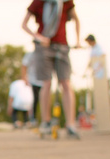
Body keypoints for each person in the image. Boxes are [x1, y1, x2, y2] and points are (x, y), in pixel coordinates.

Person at [21, 0, 81, 139]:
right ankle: (46, 122)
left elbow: (76, 20)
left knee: (66, 83)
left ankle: (70, 125)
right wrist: (39, 37)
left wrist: (78, 40)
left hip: (62, 45)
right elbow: (24, 24)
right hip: (44, 47)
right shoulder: (38, 2)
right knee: (46, 83)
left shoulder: (66, 2)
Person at [21, 52, 43, 126]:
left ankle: (45, 119)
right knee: (34, 100)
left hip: (44, 82)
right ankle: (33, 119)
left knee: (44, 101)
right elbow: (24, 65)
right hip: (33, 81)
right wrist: (24, 77)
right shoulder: (30, 55)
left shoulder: (45, 53)